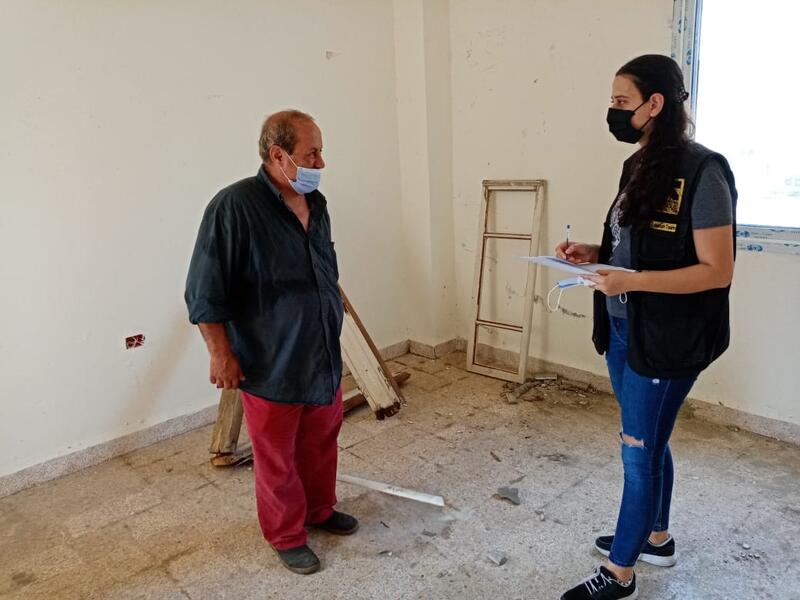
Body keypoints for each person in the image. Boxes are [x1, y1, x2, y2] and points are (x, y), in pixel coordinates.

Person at [558, 55, 737, 600]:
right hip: (621, 329)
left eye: (620, 102)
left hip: (668, 338)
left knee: (637, 454)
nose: (612, 112)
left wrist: (631, 279)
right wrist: (595, 253)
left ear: (654, 104)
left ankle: (619, 574)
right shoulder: (636, 167)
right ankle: (655, 537)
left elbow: (717, 270)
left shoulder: (706, 172)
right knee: (651, 442)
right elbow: (632, 246)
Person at [185, 109, 357, 575]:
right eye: (311, 153)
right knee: (277, 457)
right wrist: (221, 353)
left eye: (321, 150)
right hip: (269, 360)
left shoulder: (316, 204)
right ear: (278, 155)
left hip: (320, 353)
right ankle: (286, 534)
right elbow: (204, 290)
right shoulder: (233, 207)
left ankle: (319, 510)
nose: (321, 161)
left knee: (322, 440)